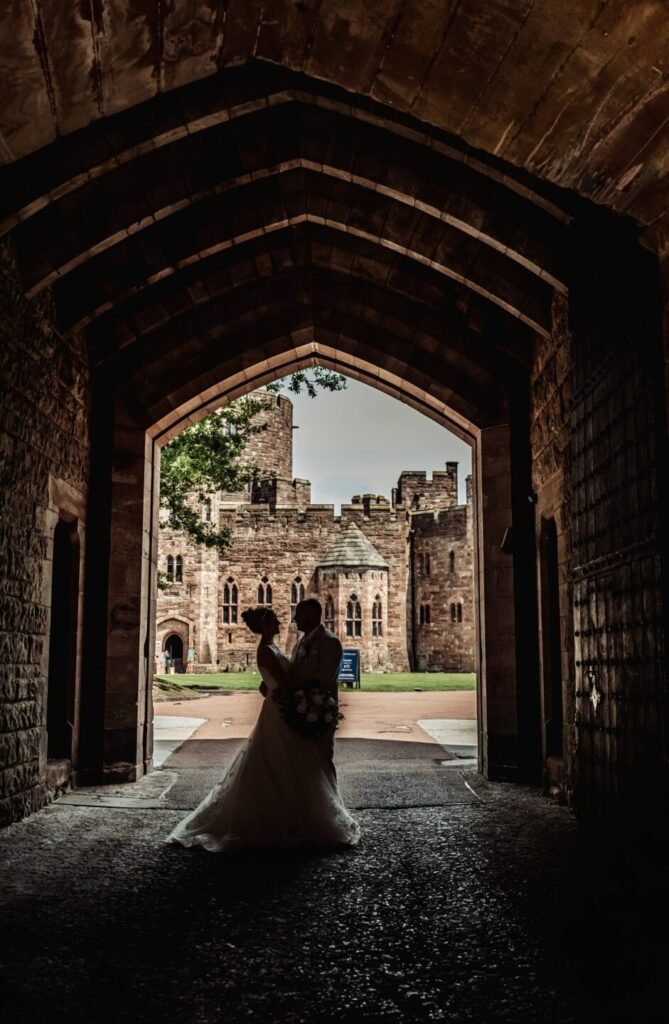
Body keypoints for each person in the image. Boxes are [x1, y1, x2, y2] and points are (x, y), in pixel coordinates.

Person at [166, 606, 360, 852]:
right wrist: (277, 688)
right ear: (267, 625)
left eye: (297, 615)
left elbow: (284, 678)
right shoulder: (271, 649)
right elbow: (287, 682)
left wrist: (271, 685)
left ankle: (294, 816)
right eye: (278, 620)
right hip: (281, 713)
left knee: (292, 763)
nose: (287, 621)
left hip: (284, 710)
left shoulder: (296, 645)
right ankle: (294, 819)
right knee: (287, 763)